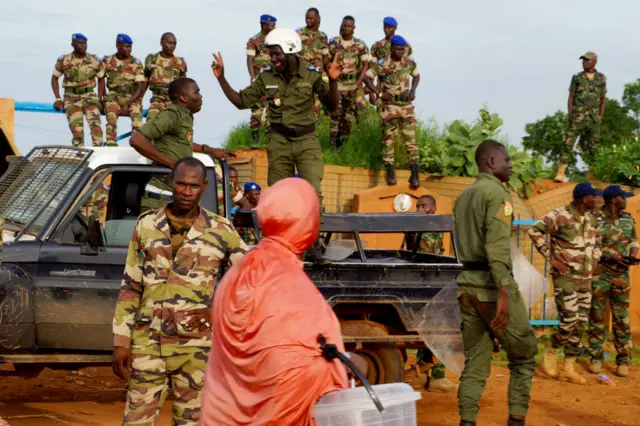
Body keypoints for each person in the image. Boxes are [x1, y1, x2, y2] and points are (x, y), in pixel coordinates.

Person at [199, 178, 348, 426]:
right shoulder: (291, 285)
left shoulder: (239, 270)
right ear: (306, 223)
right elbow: (309, 367)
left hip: (222, 415)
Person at [112, 157, 248, 426]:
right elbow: (131, 285)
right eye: (181, 184)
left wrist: (220, 317)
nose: (187, 191)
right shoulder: (147, 225)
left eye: (194, 186)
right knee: (136, 421)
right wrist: (120, 341)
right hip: (148, 344)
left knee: (193, 422)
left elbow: (248, 280)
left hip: (196, 348)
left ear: (204, 187)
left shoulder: (221, 230)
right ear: (170, 184)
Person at [212, 27, 341, 262]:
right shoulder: (266, 77)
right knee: (279, 195)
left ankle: (311, 244)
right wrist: (222, 78)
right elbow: (241, 101)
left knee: (312, 192)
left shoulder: (312, 74)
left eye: (276, 54)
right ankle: (282, 244)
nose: (273, 59)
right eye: (270, 54)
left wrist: (333, 82)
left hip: (306, 140)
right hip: (279, 141)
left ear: (291, 52)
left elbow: (332, 107)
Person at [454, 140, 537, 426]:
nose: (511, 165)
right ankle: (516, 421)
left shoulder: (464, 196)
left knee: (475, 362)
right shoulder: (498, 194)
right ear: (490, 162)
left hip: (466, 284)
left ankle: (467, 422)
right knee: (524, 356)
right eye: (507, 159)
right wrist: (504, 288)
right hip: (491, 285)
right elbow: (496, 246)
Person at [528, 182, 603, 385]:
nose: (598, 200)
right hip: (565, 277)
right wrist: (550, 257)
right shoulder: (558, 215)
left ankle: (568, 366)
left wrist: (595, 258)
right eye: (595, 196)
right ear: (585, 198)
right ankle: (552, 351)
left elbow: (599, 243)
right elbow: (534, 231)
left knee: (580, 322)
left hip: (585, 279)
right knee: (569, 319)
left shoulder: (593, 219)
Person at [130, 77, 229, 212]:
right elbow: (137, 139)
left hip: (174, 196)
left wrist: (209, 149)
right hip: (161, 197)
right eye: (196, 92)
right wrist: (172, 164)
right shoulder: (171, 115)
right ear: (184, 97)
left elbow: (182, 141)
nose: (201, 97)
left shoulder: (184, 116)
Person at [406, 195, 457, 393]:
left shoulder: (432, 226)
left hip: (430, 280)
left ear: (432, 208)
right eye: (417, 205)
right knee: (437, 327)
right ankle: (436, 376)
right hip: (426, 282)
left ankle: (430, 374)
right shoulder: (419, 226)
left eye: (423, 206)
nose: (419, 208)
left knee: (431, 327)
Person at [588, 185, 638, 378]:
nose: (626, 200)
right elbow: (591, 245)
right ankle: (596, 359)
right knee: (597, 317)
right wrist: (612, 255)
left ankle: (624, 360)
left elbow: (634, 240)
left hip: (621, 275)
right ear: (613, 200)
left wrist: (632, 255)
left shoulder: (627, 219)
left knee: (621, 318)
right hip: (600, 274)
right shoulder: (595, 220)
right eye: (623, 197)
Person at [363, 35, 420, 188]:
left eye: (403, 49)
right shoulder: (382, 64)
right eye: (398, 49)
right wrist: (379, 93)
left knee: (411, 140)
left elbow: (416, 75)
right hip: (389, 107)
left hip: (406, 106)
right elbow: (367, 79)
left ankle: (414, 174)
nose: (400, 52)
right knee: (388, 140)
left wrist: (413, 91)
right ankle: (390, 172)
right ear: (391, 48)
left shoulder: (408, 63)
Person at [554, 51, 607, 182]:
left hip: (593, 118)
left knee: (594, 146)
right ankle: (561, 171)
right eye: (583, 60)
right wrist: (571, 114)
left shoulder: (601, 78)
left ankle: (593, 174)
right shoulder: (577, 77)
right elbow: (571, 96)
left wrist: (600, 116)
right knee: (568, 141)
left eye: (587, 60)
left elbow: (603, 98)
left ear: (594, 62)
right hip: (578, 116)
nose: (584, 62)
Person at [51, 33, 104, 147]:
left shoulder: (94, 60)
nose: (83, 46)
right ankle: (81, 159)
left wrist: (100, 98)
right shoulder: (64, 60)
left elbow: (101, 79)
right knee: (77, 133)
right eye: (79, 43)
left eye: (84, 43)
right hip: (71, 98)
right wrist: (57, 98)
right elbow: (54, 79)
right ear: (72, 45)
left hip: (90, 97)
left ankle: (100, 158)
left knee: (96, 130)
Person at [328, 16, 370, 149]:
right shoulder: (333, 43)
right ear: (341, 26)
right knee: (335, 115)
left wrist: (359, 81)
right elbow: (327, 63)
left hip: (351, 86)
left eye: (349, 26)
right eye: (344, 26)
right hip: (337, 85)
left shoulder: (360, 45)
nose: (346, 28)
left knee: (347, 117)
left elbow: (365, 64)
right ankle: (332, 145)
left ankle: (343, 147)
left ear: (354, 28)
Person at [100, 34, 146, 146]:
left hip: (132, 96)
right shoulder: (107, 61)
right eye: (125, 46)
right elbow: (101, 80)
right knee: (111, 120)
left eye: (130, 46)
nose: (128, 49)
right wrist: (102, 99)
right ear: (117, 45)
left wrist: (128, 103)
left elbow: (139, 87)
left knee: (138, 123)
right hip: (113, 96)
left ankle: (136, 147)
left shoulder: (136, 63)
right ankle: (111, 147)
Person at [246, 14, 277, 145]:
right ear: (263, 25)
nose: (273, 27)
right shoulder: (254, 40)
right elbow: (250, 60)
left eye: (274, 25)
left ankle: (271, 139)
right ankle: (255, 138)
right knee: (256, 109)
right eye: (271, 25)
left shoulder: (277, 40)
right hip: (259, 80)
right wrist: (253, 77)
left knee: (274, 108)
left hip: (274, 80)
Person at [144, 32, 187, 122]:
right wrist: (139, 100)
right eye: (169, 43)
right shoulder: (152, 59)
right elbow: (145, 80)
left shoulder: (180, 62)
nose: (172, 46)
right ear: (162, 43)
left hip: (174, 102)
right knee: (151, 124)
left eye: (174, 44)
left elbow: (184, 85)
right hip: (157, 100)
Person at [297, 7, 330, 116]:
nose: (308, 21)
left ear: (317, 19)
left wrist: (322, 64)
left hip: (318, 74)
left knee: (323, 98)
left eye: (311, 18)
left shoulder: (323, 36)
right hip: (303, 74)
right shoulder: (298, 34)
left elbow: (326, 56)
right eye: (307, 18)